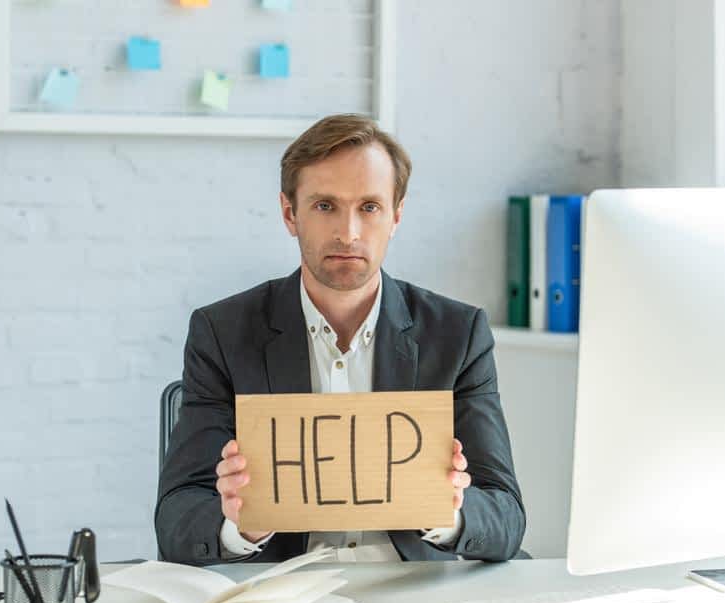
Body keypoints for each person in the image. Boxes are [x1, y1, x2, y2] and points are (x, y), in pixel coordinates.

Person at [155, 114, 525, 564]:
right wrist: (239, 523)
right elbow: (176, 519)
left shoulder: (458, 334)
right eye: (325, 206)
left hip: (413, 597)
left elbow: (506, 516)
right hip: (282, 595)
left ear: (396, 216)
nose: (348, 233)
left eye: (369, 207)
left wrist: (449, 511)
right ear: (290, 214)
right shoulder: (223, 332)